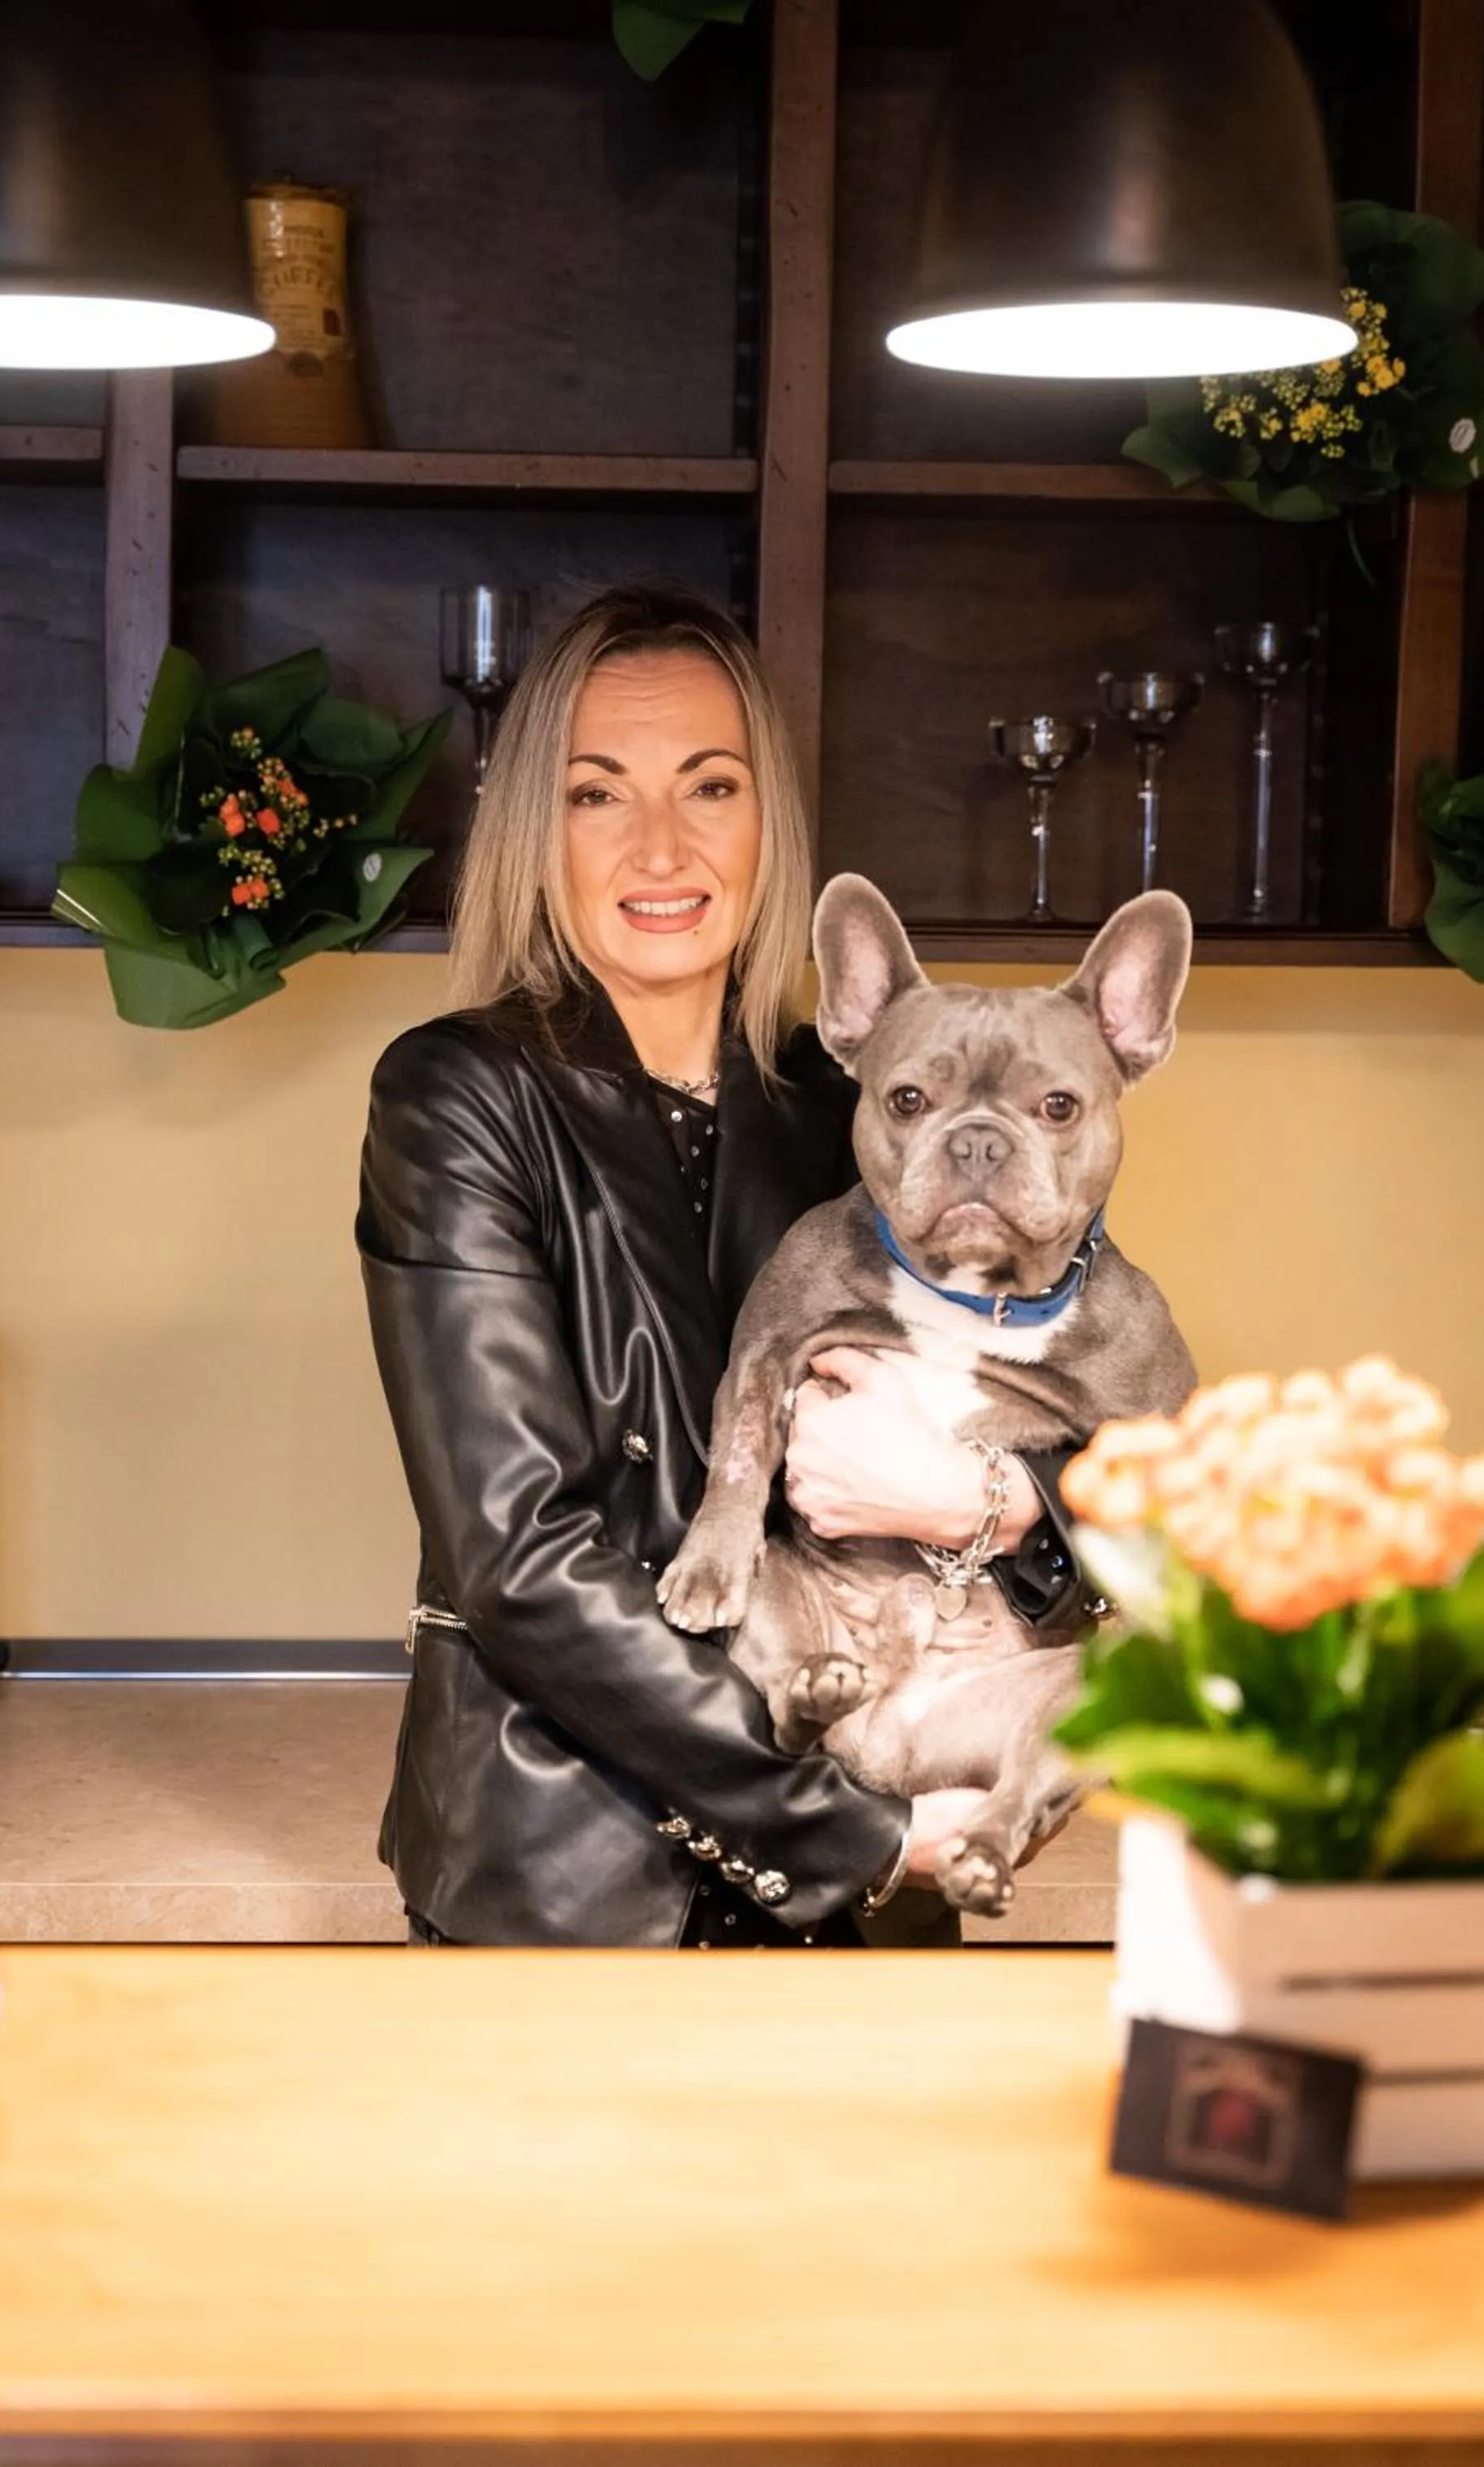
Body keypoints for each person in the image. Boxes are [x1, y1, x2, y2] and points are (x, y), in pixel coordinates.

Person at [356, 583, 1084, 1949]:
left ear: (767, 824)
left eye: (709, 785)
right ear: (535, 830)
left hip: (874, 1843)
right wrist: (846, 1831)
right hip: (565, 1882)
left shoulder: (867, 1105)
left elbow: (1083, 1427)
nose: (659, 846)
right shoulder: (456, 1098)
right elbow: (519, 1555)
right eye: (595, 795)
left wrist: (982, 1499)